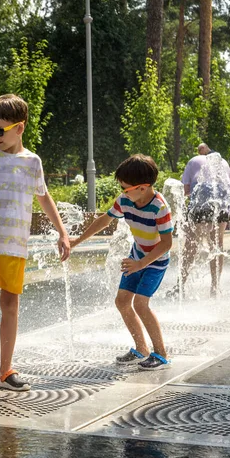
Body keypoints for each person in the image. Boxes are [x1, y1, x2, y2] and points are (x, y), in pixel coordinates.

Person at [0, 94, 71, 396]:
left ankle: (6, 371)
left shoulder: (32, 162)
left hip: (15, 246)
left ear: (19, 128)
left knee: (11, 305)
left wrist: (62, 232)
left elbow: (44, 197)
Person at [70, 154, 173, 371]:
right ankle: (141, 349)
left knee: (141, 304)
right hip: (136, 256)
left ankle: (161, 354)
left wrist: (141, 264)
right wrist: (77, 241)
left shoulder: (159, 207)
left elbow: (166, 244)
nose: (122, 192)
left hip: (155, 261)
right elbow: (104, 220)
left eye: (126, 188)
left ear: (143, 188)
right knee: (122, 301)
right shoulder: (125, 200)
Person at [180, 143, 230, 296]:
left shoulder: (193, 161)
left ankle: (181, 286)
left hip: (200, 205)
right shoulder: (222, 163)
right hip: (221, 206)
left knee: (191, 244)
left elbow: (184, 191)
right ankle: (215, 288)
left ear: (202, 152)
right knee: (217, 244)